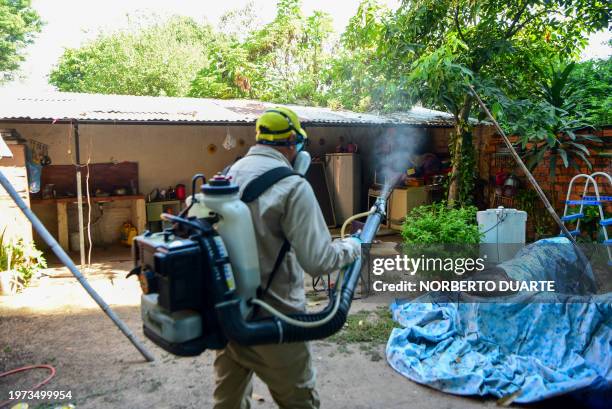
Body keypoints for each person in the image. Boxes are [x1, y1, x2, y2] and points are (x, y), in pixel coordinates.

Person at [213, 107, 361, 409]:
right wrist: (352, 247)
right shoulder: (293, 186)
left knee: (227, 403)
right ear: (292, 142)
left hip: (228, 316)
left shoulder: (227, 174)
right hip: (277, 320)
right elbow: (318, 261)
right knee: (299, 402)